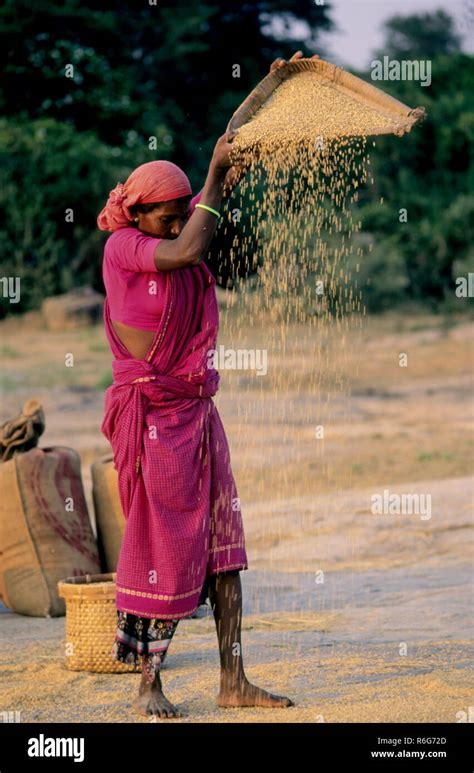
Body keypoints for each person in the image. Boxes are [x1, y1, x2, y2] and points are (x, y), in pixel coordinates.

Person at [97, 51, 312, 719]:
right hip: (154, 420)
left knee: (224, 548)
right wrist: (216, 175)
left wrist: (274, 85)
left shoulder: (180, 237)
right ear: (140, 214)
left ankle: (233, 679)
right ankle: (148, 684)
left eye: (183, 209)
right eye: (167, 213)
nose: (179, 219)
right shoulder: (126, 248)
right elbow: (187, 245)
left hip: (196, 415)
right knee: (165, 546)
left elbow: (221, 169)